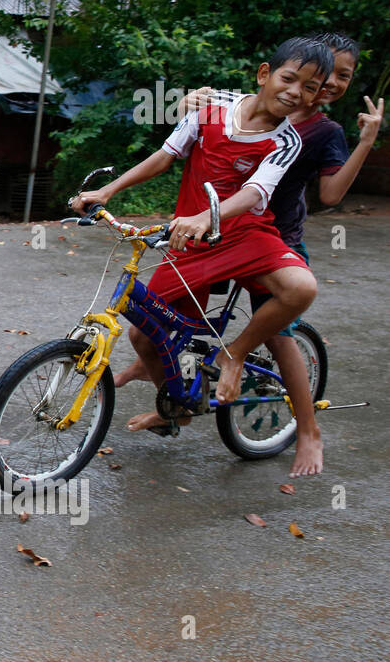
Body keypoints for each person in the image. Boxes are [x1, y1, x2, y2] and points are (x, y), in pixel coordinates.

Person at [112, 33, 384, 475]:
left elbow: (330, 194)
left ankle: (308, 430)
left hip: (273, 234)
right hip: (212, 229)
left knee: (277, 335)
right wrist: (189, 106)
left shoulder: (322, 130)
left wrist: (367, 141)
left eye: (340, 77)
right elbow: (186, 135)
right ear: (272, 73)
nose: (327, 82)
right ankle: (171, 387)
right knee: (161, 324)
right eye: (319, 73)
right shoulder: (237, 101)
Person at [73, 38, 333, 436]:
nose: (296, 92)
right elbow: (167, 154)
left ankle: (237, 354)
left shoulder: (287, 140)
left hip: (244, 234)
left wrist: (204, 215)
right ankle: (176, 406)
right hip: (190, 238)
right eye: (289, 78)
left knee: (301, 287)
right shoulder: (212, 104)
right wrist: (107, 191)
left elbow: (255, 193)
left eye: (311, 88)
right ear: (265, 74)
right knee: (143, 334)